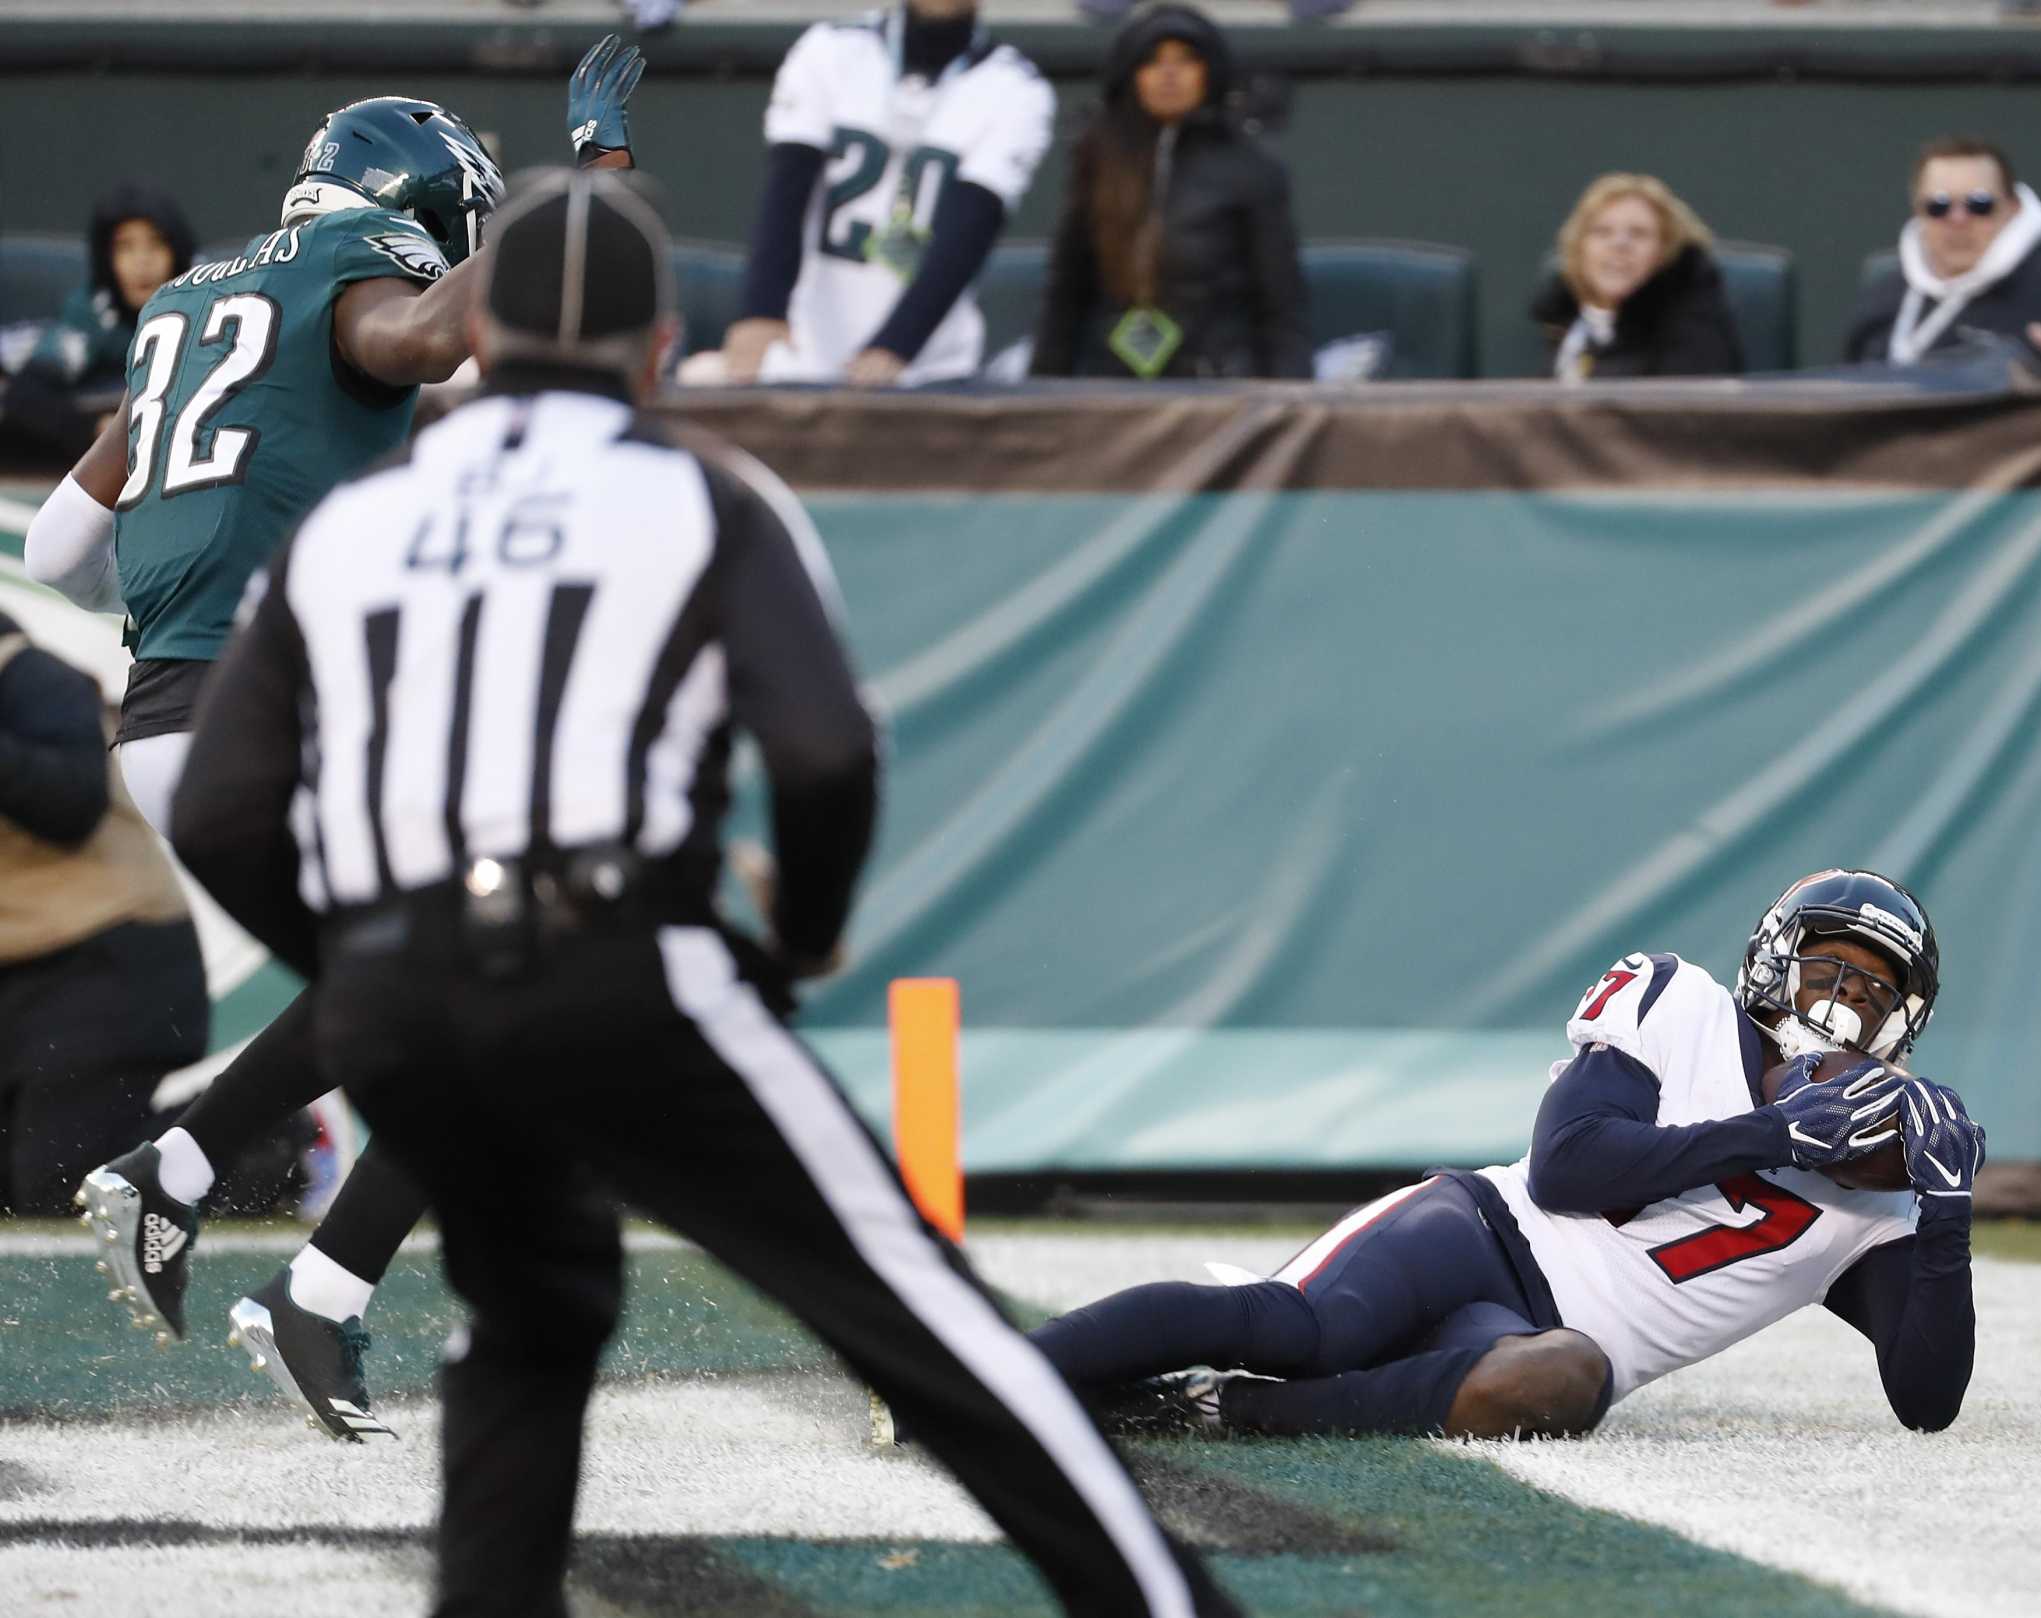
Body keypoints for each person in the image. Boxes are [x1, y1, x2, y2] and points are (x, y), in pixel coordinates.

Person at [169, 164, 1243, 1618]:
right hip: (615, 957)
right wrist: (793, 940)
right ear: (660, 347)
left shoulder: (350, 526)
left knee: (531, 1321)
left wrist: (364, 959)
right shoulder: (702, 494)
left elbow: (228, 814)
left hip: (398, 996)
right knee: (921, 1323)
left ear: (480, 333)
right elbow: (822, 751)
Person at [31, 75, 533, 1437]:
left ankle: (275, 1253)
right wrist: (566, 210)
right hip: (270, 713)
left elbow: (57, 553)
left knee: (440, 994)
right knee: (479, 980)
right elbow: (434, 338)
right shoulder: (360, 274)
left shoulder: (188, 303)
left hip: (169, 722)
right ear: (419, 207)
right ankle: (247, 1230)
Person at [1014, 870, 1981, 1443]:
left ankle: (1226, 1413)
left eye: (1876, 986)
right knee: (1302, 1329)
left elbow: (1926, 1400)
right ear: (1777, 957)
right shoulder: (1676, 1002)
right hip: (1474, 1233)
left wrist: (1943, 1212)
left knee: (1565, 1384)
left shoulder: (1867, 1205)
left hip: (1525, 1333)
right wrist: (1771, 1136)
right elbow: (1568, 1166)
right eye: (1832, 966)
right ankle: (989, 1377)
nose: (1848, 998)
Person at [717, 0, 1054, 386]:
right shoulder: (829, 48)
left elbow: (969, 233)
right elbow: (785, 192)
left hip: (932, 372)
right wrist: (762, 310)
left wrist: (895, 347)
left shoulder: (1017, 87)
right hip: (803, 356)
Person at [0, 612, 206, 1219]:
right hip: (23, 978)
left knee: (60, 1190)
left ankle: (272, 1142)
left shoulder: (27, 675)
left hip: (106, 962)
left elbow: (72, 804)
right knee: (21, 1200)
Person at [1031, 4, 1310, 381]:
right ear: (1131, 76)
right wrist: (1043, 396)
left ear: (1209, 73)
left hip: (1220, 387)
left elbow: (1280, 305)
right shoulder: (1098, 159)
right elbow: (1065, 297)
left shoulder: (1250, 169)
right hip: (1111, 392)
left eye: (1186, 60)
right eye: (1152, 61)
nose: (1169, 73)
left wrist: (1290, 402)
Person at [3, 185, 196, 464]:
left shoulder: (210, 295)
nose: (142, 261)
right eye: (125, 247)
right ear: (107, 257)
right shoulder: (94, 314)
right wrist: (99, 431)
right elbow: (25, 395)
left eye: (156, 243)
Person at [1843, 136, 2041, 366]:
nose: (1958, 219)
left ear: (2013, 208)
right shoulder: (1885, 294)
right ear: (1917, 211)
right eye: (1938, 206)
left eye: (1979, 204)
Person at [1530, 173, 1743, 382]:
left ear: (1666, 251)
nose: (1619, 244)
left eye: (1638, 233)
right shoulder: (1565, 325)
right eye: (1602, 232)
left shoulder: (1693, 329)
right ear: (1579, 248)